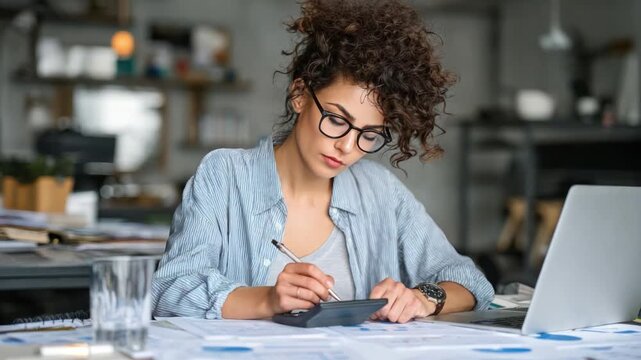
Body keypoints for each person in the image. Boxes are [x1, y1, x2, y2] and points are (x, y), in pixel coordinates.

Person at [152, 0, 494, 324]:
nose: (347, 146)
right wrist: (266, 300)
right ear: (300, 94)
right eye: (336, 120)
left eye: (369, 135)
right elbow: (169, 290)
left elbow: (468, 280)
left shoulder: (380, 191)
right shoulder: (225, 176)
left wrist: (424, 298)